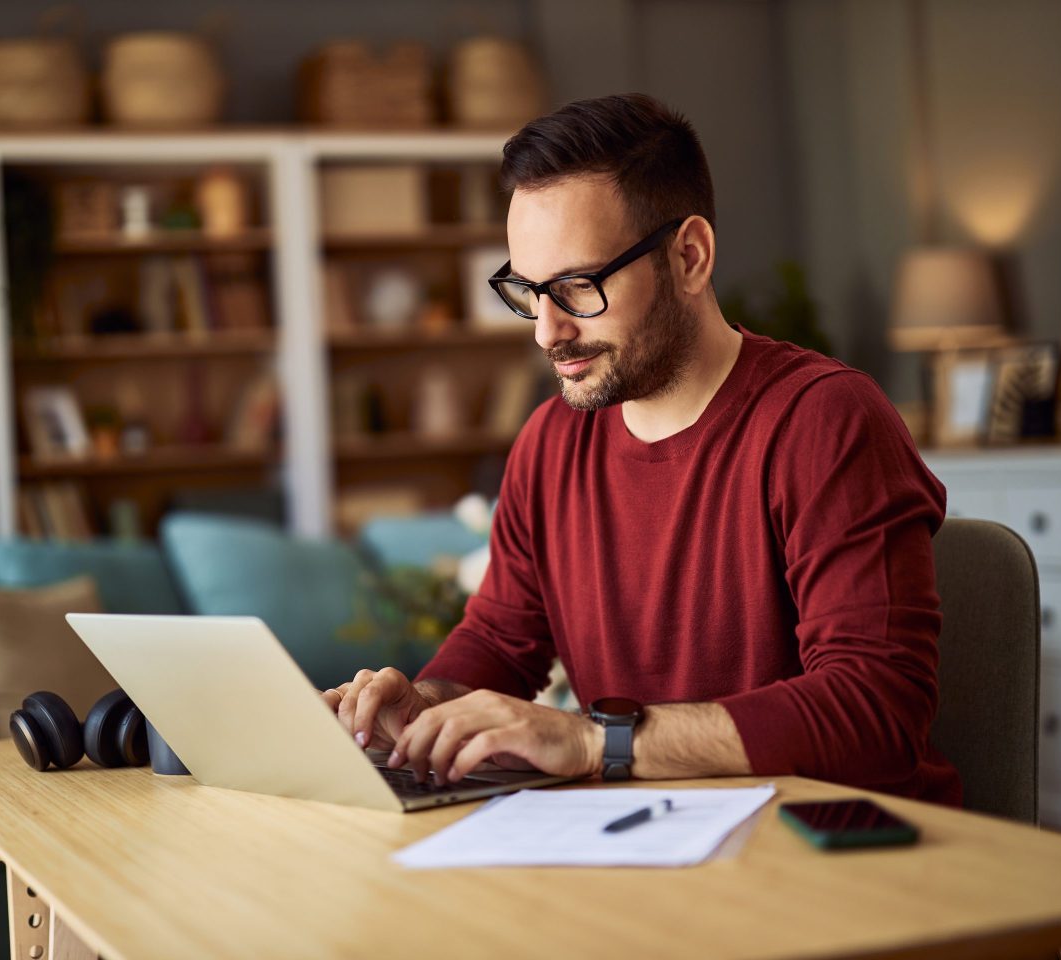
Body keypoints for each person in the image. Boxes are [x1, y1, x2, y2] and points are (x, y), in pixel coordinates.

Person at [321, 93, 960, 806]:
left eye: (576, 286)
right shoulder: (549, 445)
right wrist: (427, 703)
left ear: (689, 256)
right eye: (528, 291)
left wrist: (596, 741)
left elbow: (876, 710)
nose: (546, 332)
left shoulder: (824, 421)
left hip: (836, 854)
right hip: (647, 846)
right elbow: (503, 643)